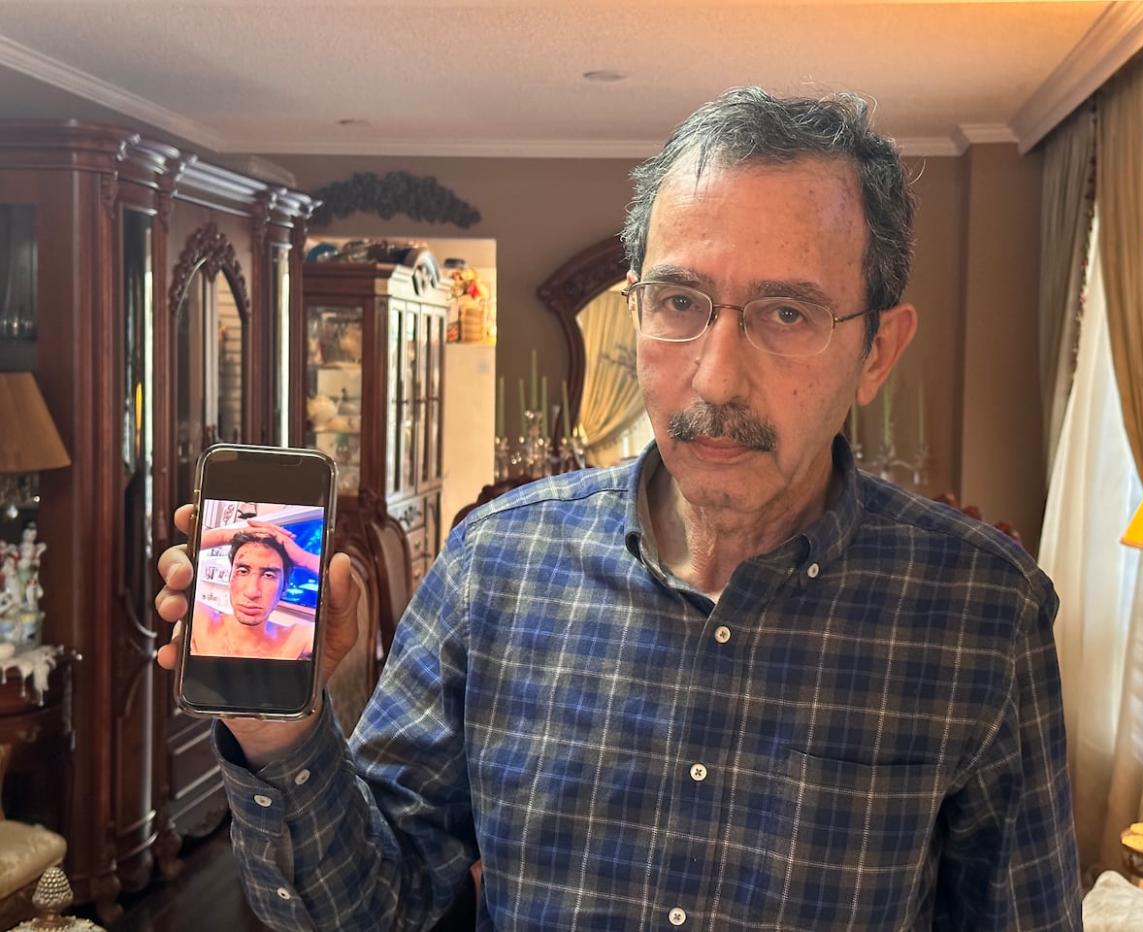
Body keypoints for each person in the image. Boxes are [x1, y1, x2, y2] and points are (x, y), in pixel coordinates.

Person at [155, 88, 1080, 929]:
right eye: (679, 301)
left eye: (786, 314)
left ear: (877, 350)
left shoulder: (982, 617)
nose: (713, 379)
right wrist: (282, 731)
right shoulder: (495, 568)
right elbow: (372, 912)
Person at [190, 519, 319, 661]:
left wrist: (305, 559)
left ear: (284, 587)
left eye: (268, 575)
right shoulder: (202, 621)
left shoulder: (297, 639)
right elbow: (173, 551)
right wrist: (227, 536)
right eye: (243, 571)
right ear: (229, 577)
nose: (252, 592)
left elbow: (342, 585)